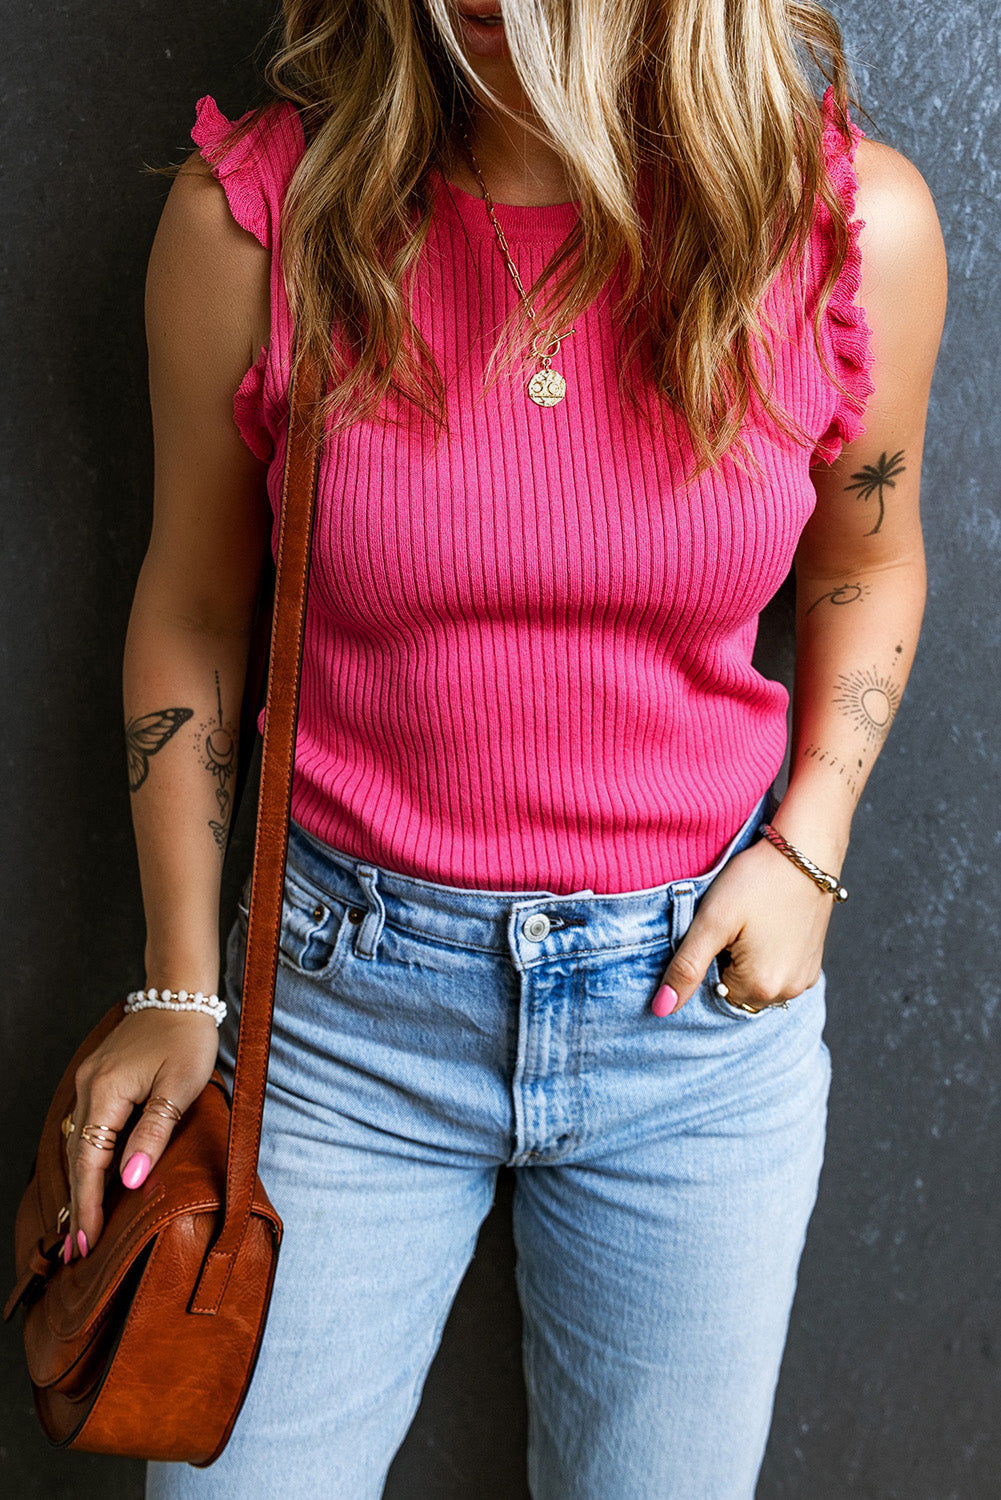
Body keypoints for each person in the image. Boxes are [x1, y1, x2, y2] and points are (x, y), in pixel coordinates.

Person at [61, 1, 946, 1495]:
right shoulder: (260, 223)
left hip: (692, 1031)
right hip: (339, 1026)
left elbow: (868, 563)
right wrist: (176, 978)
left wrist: (810, 844)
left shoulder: (850, 224)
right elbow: (198, 607)